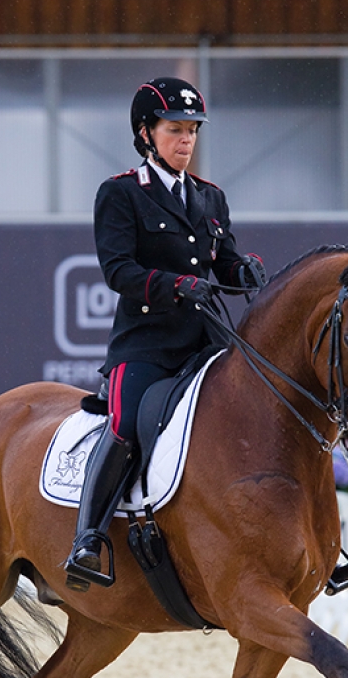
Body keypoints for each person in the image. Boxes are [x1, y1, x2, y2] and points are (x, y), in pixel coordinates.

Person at [64, 76, 266, 591]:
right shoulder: (121, 193)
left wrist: (243, 271)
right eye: (175, 129)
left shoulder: (210, 198)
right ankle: (87, 538)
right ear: (146, 133)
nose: (186, 140)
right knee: (128, 423)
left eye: (192, 131)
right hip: (148, 344)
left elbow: (224, 259)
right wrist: (176, 285)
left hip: (208, 342)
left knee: (265, 414)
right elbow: (118, 271)